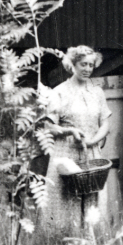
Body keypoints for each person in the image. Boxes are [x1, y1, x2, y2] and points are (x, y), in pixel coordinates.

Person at [43, 45, 111, 230]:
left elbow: (105, 123)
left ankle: (90, 242)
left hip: (91, 153)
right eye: (83, 64)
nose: (87, 69)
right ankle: (63, 240)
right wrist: (69, 131)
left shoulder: (97, 92)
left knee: (91, 198)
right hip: (66, 154)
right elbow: (48, 125)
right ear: (72, 64)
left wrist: (94, 140)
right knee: (66, 198)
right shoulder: (59, 92)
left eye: (91, 65)